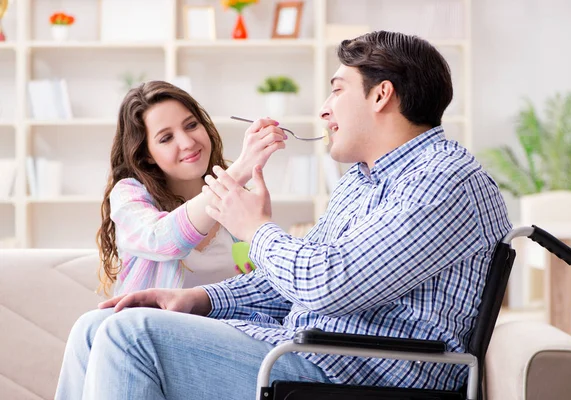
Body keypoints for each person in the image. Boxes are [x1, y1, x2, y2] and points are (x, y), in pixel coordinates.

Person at [56, 31, 512, 399]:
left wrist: (255, 229)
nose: (324, 110)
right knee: (95, 325)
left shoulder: (443, 179)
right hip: (315, 355)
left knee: (129, 336)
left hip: (358, 374)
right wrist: (200, 301)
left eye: (337, 90)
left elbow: (328, 283)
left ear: (382, 96)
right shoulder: (362, 180)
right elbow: (293, 281)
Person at [96, 80, 286, 296]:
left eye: (191, 125)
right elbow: (161, 239)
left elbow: (267, 289)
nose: (187, 142)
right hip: (154, 327)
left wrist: (260, 233)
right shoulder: (129, 194)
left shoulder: (237, 197)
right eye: (166, 138)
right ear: (146, 154)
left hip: (229, 327)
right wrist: (239, 171)